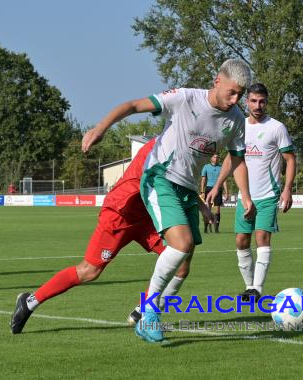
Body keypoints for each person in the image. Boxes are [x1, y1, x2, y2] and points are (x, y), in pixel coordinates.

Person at [81, 59, 255, 343]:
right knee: (181, 243)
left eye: (241, 94)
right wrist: (99, 128)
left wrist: (245, 196)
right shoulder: (185, 98)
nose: (236, 100)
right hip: (160, 177)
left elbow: (237, 159)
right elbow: (133, 105)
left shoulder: (236, 119)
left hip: (187, 189)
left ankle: (148, 312)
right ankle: (148, 314)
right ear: (217, 82)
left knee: (184, 262)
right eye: (232, 92)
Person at [10, 139, 213, 334]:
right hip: (121, 213)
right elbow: (164, 180)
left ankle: (144, 313)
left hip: (146, 217)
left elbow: (180, 181)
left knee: (181, 263)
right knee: (89, 271)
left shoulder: (182, 147)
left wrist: (202, 206)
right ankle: (29, 302)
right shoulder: (160, 147)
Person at [226, 83, 296, 302]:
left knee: (262, 237)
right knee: (241, 241)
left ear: (267, 102)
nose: (258, 105)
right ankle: (248, 287)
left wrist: (287, 189)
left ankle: (257, 288)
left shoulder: (277, 128)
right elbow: (232, 159)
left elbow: (290, 159)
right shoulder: (239, 126)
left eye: (262, 101)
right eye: (254, 101)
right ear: (247, 101)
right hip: (244, 196)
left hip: (267, 195)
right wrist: (218, 185)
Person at [200, 154, 228, 233]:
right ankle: (206, 227)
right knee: (207, 209)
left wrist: (226, 192)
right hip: (208, 189)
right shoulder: (206, 167)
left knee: (217, 210)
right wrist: (202, 192)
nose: (216, 158)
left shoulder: (221, 167)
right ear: (211, 158)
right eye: (214, 157)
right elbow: (203, 180)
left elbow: (224, 180)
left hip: (218, 190)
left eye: (217, 157)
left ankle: (216, 229)